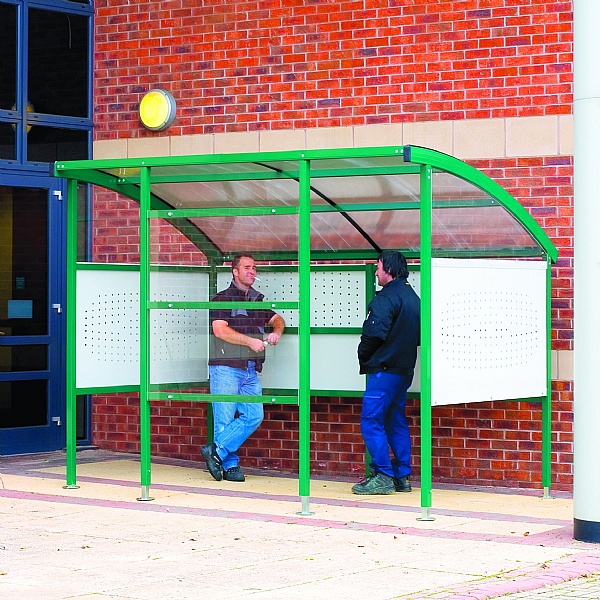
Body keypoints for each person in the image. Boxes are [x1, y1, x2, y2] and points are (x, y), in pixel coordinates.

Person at [201, 253, 285, 483]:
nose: (252, 271)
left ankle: (216, 451)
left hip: (250, 369)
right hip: (225, 367)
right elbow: (220, 330)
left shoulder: (257, 300)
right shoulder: (221, 299)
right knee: (224, 419)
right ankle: (229, 466)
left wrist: (276, 331)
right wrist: (250, 341)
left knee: (254, 415)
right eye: (247, 267)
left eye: (254, 268)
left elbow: (277, 318)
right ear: (235, 271)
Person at [352, 250, 420, 495]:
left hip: (383, 371)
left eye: (378, 266)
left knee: (371, 420)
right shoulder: (413, 298)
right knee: (395, 419)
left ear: (388, 269)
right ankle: (402, 476)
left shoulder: (385, 299)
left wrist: (363, 355)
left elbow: (373, 334)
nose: (377, 271)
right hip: (404, 370)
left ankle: (382, 475)